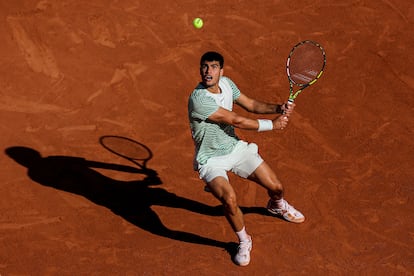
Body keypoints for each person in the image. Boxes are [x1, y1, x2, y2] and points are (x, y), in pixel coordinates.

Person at [187, 51, 305, 266]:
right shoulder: (199, 100)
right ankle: (244, 241)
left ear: (221, 71)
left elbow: (250, 105)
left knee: (276, 187)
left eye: (213, 67)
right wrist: (273, 124)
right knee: (230, 200)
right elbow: (235, 120)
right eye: (204, 66)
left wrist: (278, 108)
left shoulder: (227, 84)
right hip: (211, 160)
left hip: (234, 148)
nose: (208, 71)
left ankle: (277, 205)